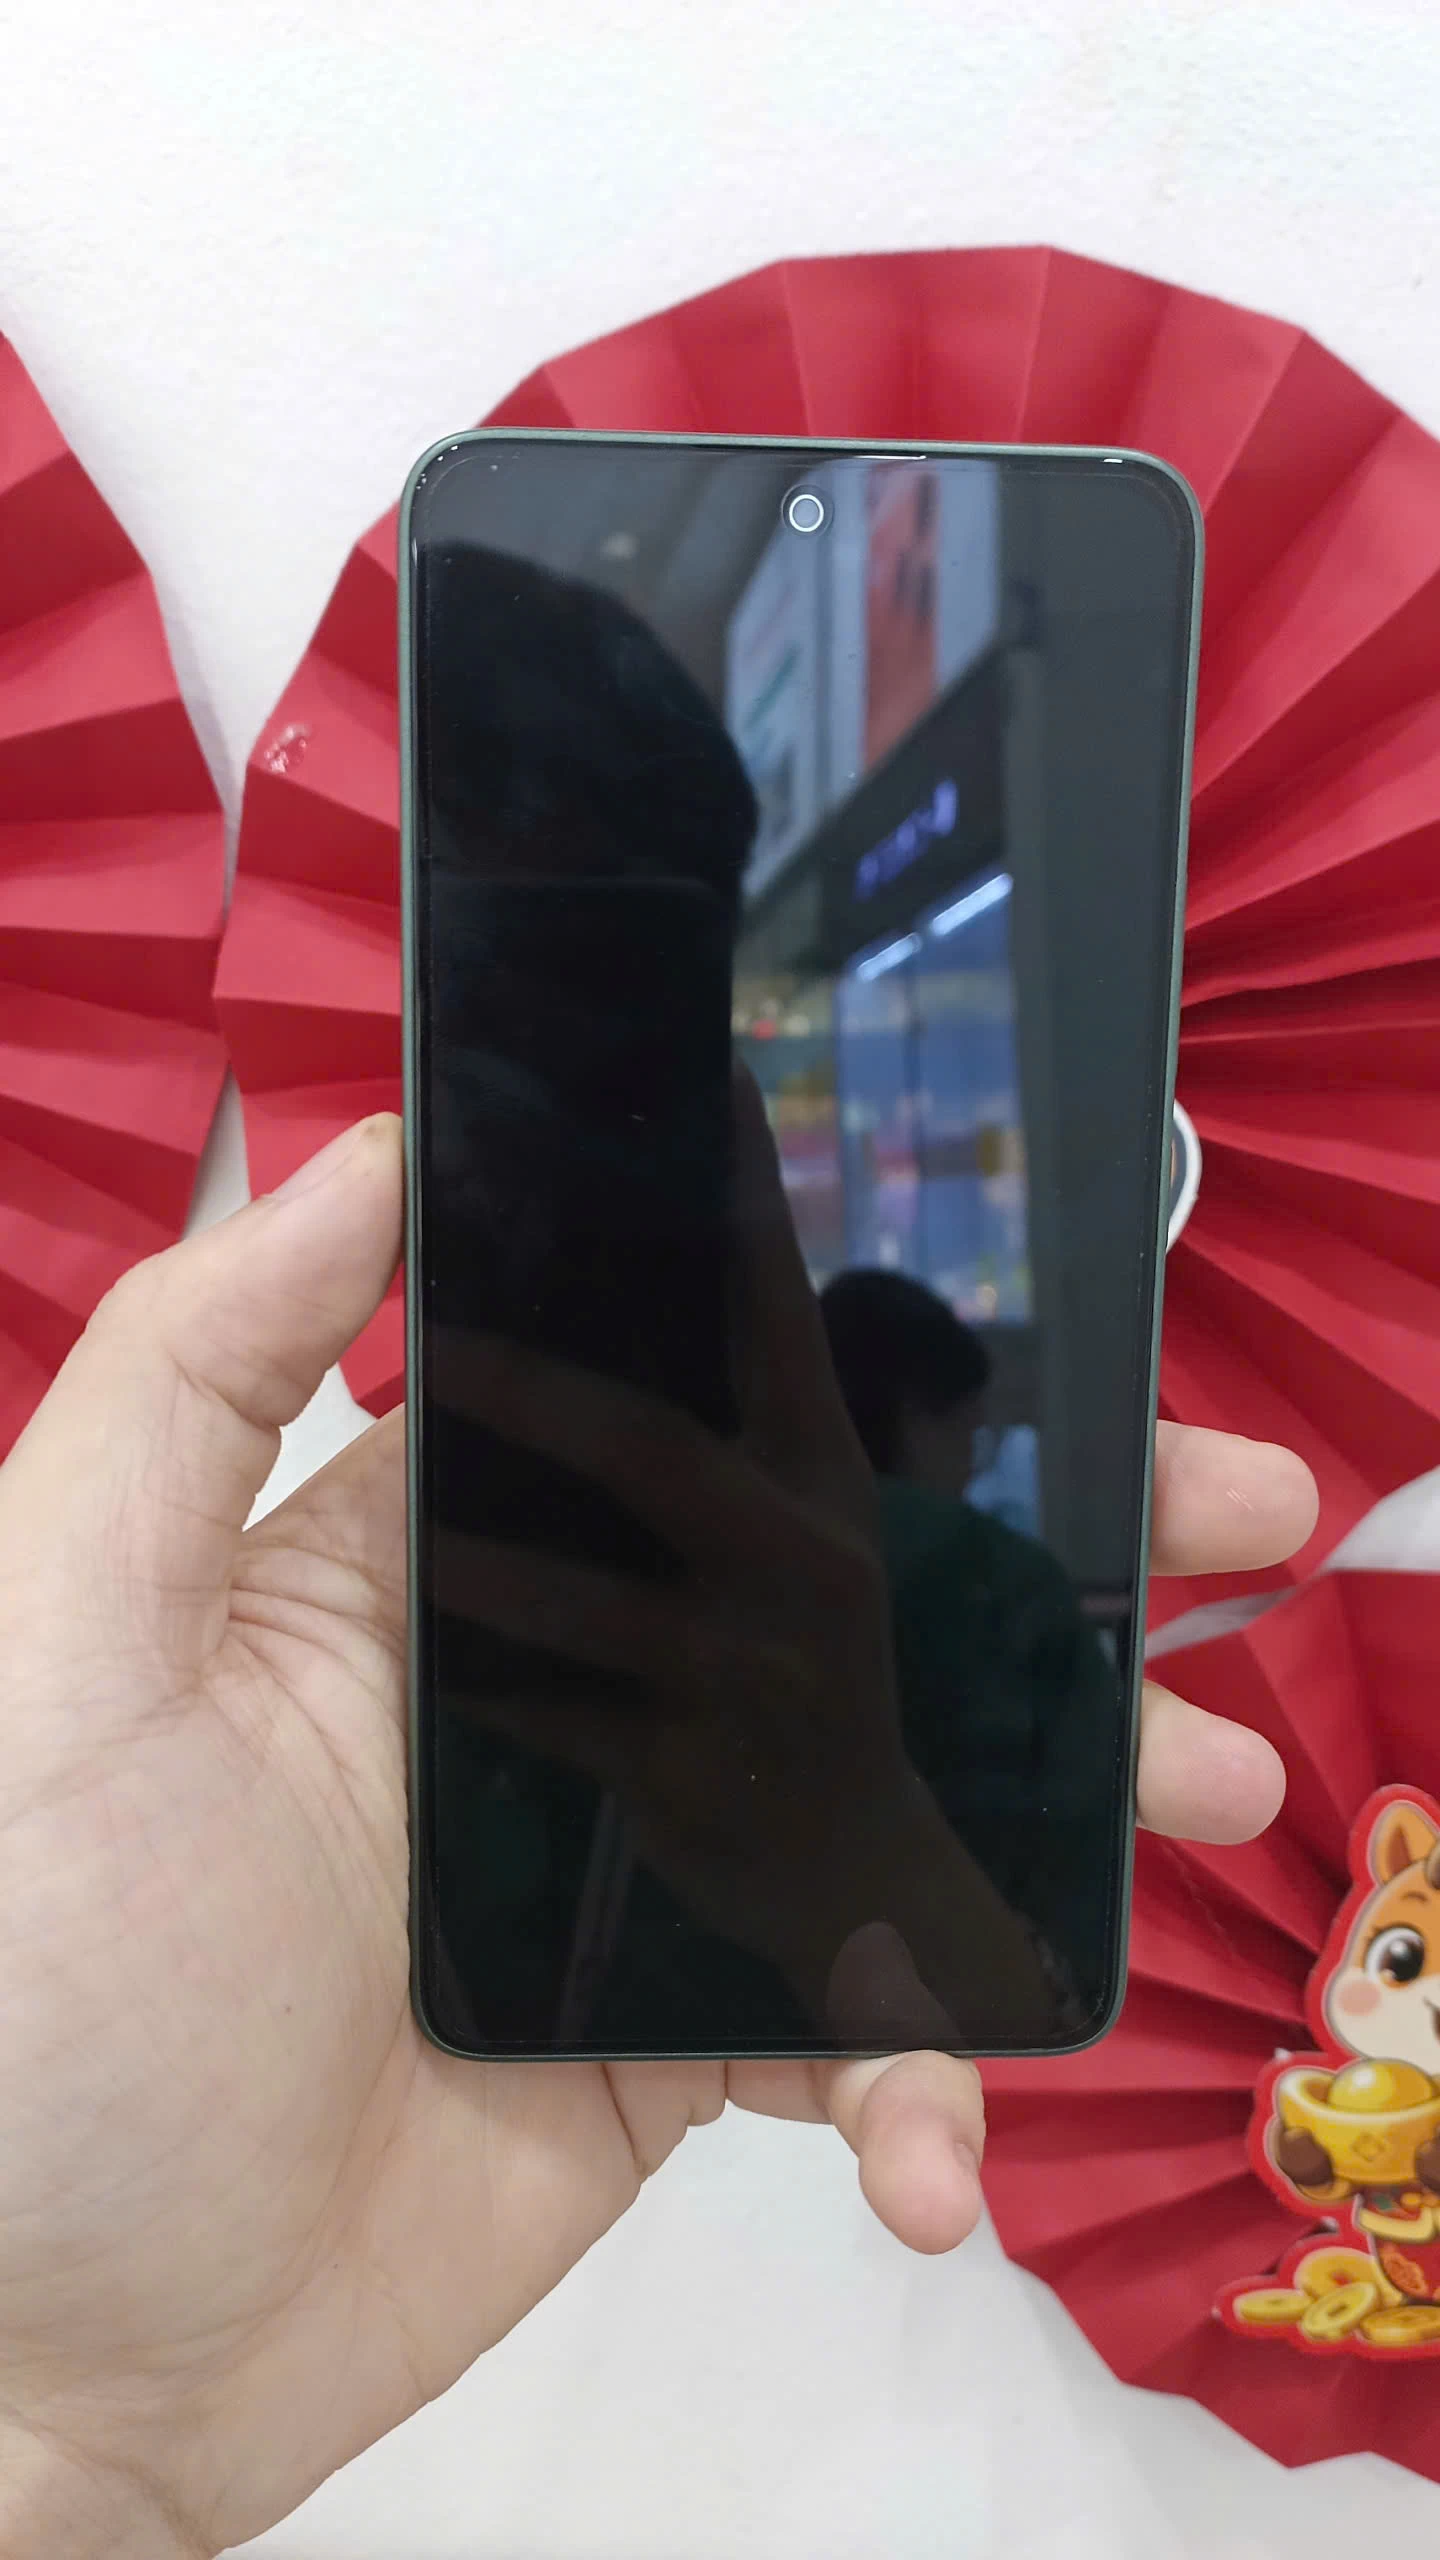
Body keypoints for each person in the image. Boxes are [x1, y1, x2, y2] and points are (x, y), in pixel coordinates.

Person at [0, 1113, 1318, 2557]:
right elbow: (1005, 1957)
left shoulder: (577, 1549)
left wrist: (71, 2427)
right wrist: (74, 2428)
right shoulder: (992, 1587)